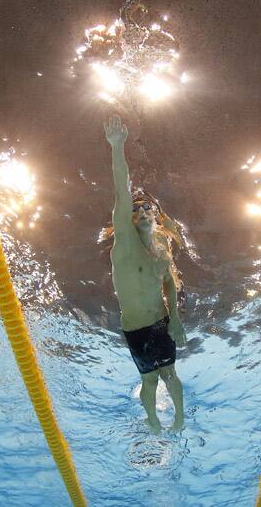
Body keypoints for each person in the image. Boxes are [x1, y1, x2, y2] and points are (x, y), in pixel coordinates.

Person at [102, 115, 186, 434]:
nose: (141, 211)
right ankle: (152, 422)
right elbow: (121, 190)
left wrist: (175, 318)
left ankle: (179, 419)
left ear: (155, 216)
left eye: (147, 208)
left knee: (170, 375)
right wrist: (118, 146)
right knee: (149, 379)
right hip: (135, 327)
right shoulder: (124, 241)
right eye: (136, 210)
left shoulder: (162, 252)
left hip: (162, 321)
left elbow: (168, 283)